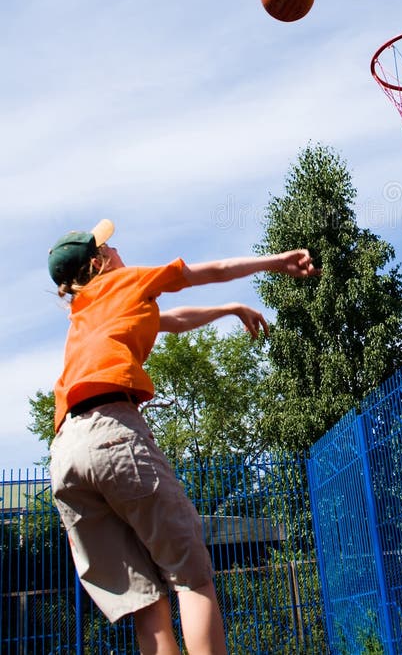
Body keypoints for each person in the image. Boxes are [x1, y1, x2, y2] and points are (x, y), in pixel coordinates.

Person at [47, 218, 320, 655]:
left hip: (65, 456)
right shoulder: (125, 282)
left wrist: (228, 309)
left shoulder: (84, 314)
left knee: (146, 604)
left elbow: (169, 320)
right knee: (191, 578)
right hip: (111, 434)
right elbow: (209, 270)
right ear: (99, 264)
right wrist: (277, 262)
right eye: (110, 249)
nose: (119, 251)